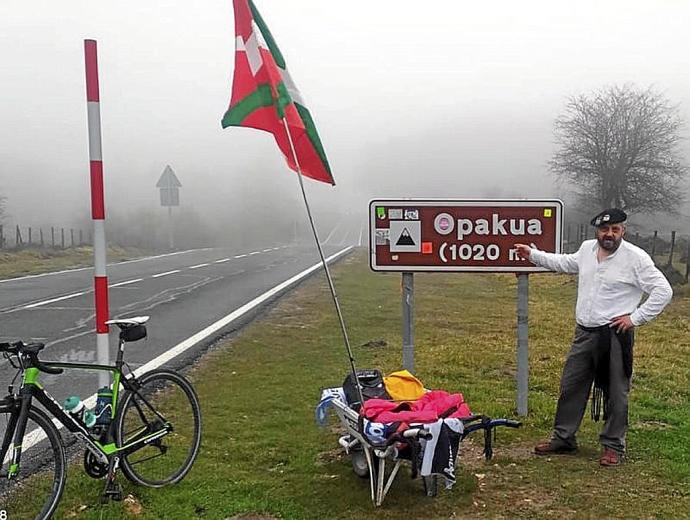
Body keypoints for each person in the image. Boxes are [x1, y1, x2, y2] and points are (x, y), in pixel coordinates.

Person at [514, 208, 673, 467]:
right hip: (584, 333)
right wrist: (533, 255)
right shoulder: (588, 249)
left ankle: (613, 446)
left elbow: (662, 290)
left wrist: (635, 318)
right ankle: (564, 438)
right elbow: (565, 263)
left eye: (615, 230)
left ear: (623, 231)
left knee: (616, 392)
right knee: (571, 386)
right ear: (597, 231)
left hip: (614, 336)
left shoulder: (636, 258)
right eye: (604, 229)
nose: (609, 234)